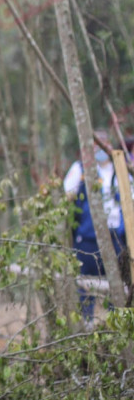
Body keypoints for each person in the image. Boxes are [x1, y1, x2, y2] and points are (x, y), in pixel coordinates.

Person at [63, 131, 126, 321]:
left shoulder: (121, 168)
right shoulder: (80, 169)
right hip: (88, 238)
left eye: (102, 144)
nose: (98, 149)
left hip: (117, 237)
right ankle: (86, 323)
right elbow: (66, 196)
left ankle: (116, 325)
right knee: (85, 284)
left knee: (118, 284)